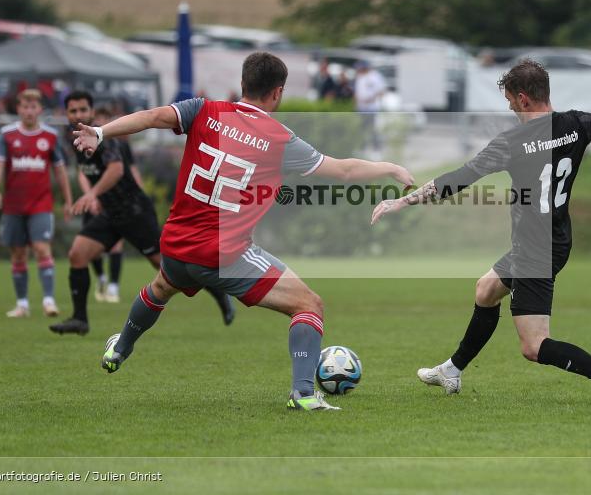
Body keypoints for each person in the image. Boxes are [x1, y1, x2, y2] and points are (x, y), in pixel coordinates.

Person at [72, 52, 414, 411]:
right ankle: (304, 394)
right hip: (223, 253)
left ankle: (120, 347)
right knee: (308, 305)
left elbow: (153, 116)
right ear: (277, 93)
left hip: (174, 245)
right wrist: (389, 167)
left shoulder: (203, 110)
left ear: (242, 84)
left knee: (160, 287)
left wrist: (99, 131)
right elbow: (343, 171)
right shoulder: (280, 139)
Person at [371, 59, 591, 405]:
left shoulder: (513, 141)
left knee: (534, 345)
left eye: (510, 100)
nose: (510, 106)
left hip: (534, 250)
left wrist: (403, 202)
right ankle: (452, 369)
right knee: (485, 290)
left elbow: (458, 179)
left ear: (524, 99)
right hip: (554, 238)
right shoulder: (578, 123)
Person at [52, 91, 234, 335]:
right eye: (73, 111)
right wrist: (91, 194)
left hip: (133, 210)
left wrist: (92, 194)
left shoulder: (103, 136)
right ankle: (80, 319)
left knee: (169, 269)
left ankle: (217, 291)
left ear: (92, 112)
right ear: (66, 113)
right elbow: (86, 170)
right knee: (77, 254)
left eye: (83, 110)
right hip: (109, 213)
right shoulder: (75, 137)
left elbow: (115, 170)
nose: (78, 115)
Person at [0, 88, 73, 318]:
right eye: (25, 107)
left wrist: (68, 201)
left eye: (33, 107)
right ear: (18, 109)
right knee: (17, 253)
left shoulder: (50, 136)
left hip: (40, 204)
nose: (29, 111)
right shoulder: (6, 134)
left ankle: (48, 301)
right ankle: (22, 305)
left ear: (39, 110)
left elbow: (60, 171)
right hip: (13, 205)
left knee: (41, 248)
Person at [85, 108, 143, 304]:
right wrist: (91, 196)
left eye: (104, 119)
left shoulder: (120, 145)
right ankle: (101, 277)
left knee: (116, 244)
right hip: (96, 200)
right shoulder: (88, 144)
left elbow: (132, 171)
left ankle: (113, 287)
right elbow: (83, 171)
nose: (100, 123)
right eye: (97, 120)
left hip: (118, 201)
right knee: (89, 247)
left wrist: (140, 196)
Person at [353, 60, 387, 152]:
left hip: (371, 107)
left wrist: (370, 99)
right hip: (361, 107)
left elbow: (381, 91)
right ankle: (363, 147)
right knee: (362, 128)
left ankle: (376, 147)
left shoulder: (374, 76)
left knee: (372, 128)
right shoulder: (360, 76)